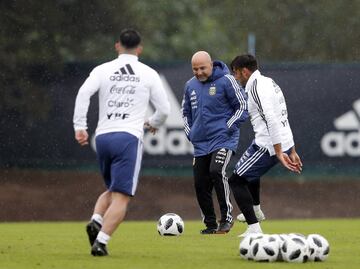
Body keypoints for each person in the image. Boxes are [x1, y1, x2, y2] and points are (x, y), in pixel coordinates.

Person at [73, 29, 170, 256]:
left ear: (118, 46)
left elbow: (83, 93)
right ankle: (101, 242)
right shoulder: (148, 73)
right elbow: (164, 109)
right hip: (128, 138)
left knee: (113, 189)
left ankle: (96, 220)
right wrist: (153, 122)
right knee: (122, 197)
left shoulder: (102, 69)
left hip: (103, 138)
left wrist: (80, 127)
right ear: (140, 48)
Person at [228, 54, 303, 237]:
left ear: (245, 71)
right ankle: (256, 210)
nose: (236, 78)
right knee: (249, 175)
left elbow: (272, 118)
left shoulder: (255, 87)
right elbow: (283, 114)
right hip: (276, 142)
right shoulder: (270, 82)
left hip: (268, 145)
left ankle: (254, 229)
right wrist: (291, 149)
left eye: (236, 73)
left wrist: (278, 151)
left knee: (236, 181)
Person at [181, 51, 248, 234]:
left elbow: (242, 106)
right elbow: (185, 113)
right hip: (200, 143)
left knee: (216, 171)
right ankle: (210, 224)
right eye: (195, 69)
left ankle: (226, 219)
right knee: (200, 183)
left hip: (223, 139)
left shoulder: (227, 80)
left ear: (211, 65)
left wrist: (227, 127)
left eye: (202, 68)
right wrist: (191, 133)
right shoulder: (190, 85)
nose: (199, 72)